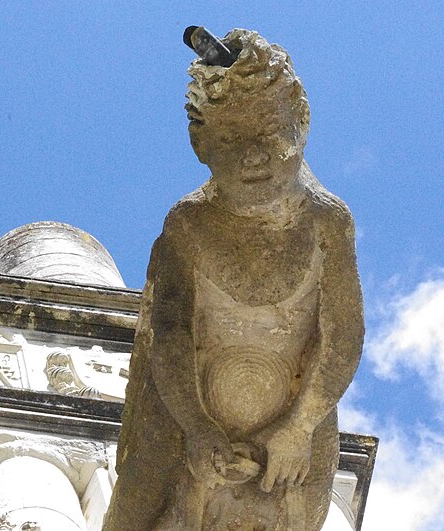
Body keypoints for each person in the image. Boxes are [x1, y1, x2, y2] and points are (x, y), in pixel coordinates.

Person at [104, 29, 364, 530]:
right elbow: (171, 337)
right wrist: (197, 427)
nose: (252, 157)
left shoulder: (327, 223)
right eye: (231, 139)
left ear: (300, 123)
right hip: (187, 403)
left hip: (299, 406)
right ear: (202, 146)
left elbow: (342, 338)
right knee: (141, 491)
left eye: (268, 133)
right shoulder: (188, 226)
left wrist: (299, 426)